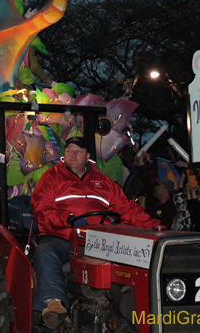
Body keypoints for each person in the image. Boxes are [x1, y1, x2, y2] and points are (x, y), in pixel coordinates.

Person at [31, 137, 159, 330]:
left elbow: (127, 209)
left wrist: (155, 228)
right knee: (45, 250)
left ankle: (137, 306)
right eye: (69, 151)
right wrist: (68, 218)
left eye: (78, 151)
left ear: (88, 156)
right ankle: (54, 306)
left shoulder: (103, 181)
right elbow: (42, 209)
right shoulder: (51, 178)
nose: (72, 155)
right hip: (65, 237)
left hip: (101, 240)